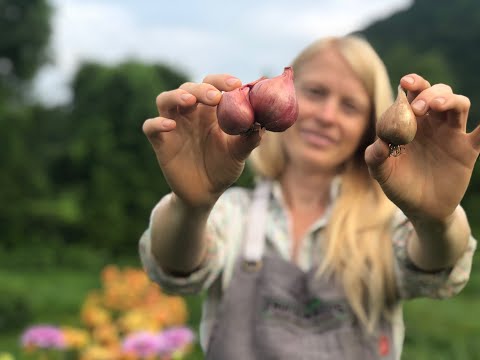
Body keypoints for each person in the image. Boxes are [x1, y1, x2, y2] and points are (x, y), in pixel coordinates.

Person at [139, 35, 480, 360]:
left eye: (349, 106)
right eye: (315, 92)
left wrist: (436, 220)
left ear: (367, 124)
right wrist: (192, 206)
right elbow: (176, 266)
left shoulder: (385, 221)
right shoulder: (233, 212)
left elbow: (434, 262)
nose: (326, 116)